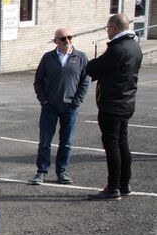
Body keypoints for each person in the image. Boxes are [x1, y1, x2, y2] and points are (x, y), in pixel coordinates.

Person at [86, 13, 143, 200]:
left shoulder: (117, 49)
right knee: (122, 142)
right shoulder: (135, 46)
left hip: (112, 104)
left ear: (115, 27)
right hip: (127, 101)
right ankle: (125, 184)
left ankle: (113, 187)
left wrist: (91, 63)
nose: (107, 31)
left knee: (112, 145)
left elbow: (94, 68)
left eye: (108, 28)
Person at [29, 28, 90, 185]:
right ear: (56, 41)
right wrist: (43, 100)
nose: (67, 41)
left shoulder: (81, 57)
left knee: (66, 141)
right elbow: (38, 81)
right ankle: (41, 171)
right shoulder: (48, 57)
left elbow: (85, 81)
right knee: (45, 141)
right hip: (50, 106)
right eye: (63, 38)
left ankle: (62, 171)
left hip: (70, 107)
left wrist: (77, 101)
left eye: (70, 37)